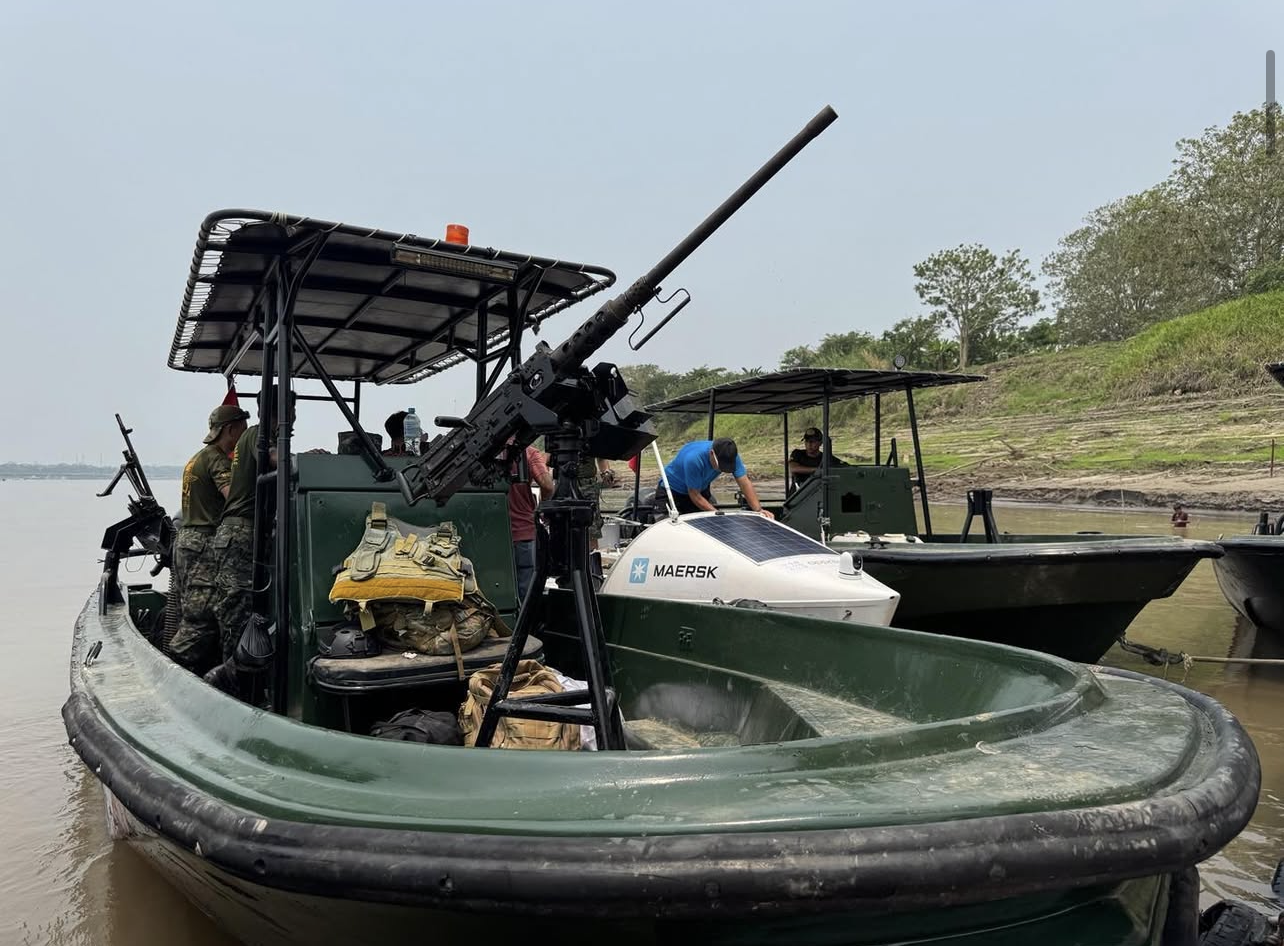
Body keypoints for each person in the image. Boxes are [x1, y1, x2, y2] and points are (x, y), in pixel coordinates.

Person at [166, 403, 249, 673]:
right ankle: (174, 674)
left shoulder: (197, 458)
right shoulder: (216, 458)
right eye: (243, 429)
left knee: (194, 608)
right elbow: (231, 495)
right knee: (202, 616)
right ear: (231, 429)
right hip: (203, 545)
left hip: (189, 542)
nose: (245, 434)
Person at [211, 390, 289, 662]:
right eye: (290, 410)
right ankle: (230, 678)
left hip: (245, 532)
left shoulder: (257, 434)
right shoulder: (259, 433)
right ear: (280, 413)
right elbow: (278, 461)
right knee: (238, 614)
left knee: (249, 610)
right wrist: (308, 460)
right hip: (240, 533)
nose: (294, 418)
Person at [662, 437, 774, 518]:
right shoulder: (694, 459)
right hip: (673, 491)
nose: (722, 470)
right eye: (721, 466)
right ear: (712, 454)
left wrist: (759, 510)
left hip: (701, 489)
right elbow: (694, 494)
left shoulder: (730, 455)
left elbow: (744, 482)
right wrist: (718, 515)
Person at [508, 444, 554, 603]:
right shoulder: (528, 452)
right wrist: (543, 505)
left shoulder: (486, 450)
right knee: (527, 593)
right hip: (523, 530)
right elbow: (547, 484)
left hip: (491, 533)